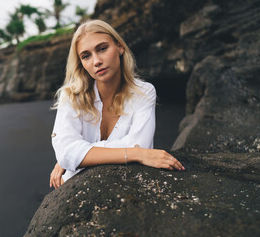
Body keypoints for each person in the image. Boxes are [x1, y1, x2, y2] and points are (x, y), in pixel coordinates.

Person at [49, 20, 184, 189]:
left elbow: (141, 144)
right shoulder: (70, 96)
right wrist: (134, 153)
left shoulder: (144, 92)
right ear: (81, 63)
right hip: (74, 189)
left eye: (102, 48)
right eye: (86, 56)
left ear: (120, 47)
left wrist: (80, 155)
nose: (96, 61)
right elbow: (138, 151)